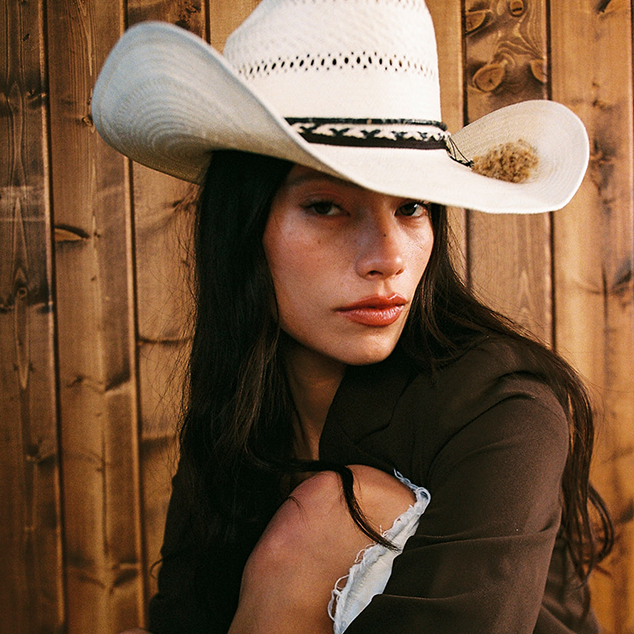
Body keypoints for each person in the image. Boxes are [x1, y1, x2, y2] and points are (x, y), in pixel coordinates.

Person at [92, 1, 613, 632]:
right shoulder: (240, 406)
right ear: (242, 229)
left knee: (338, 508)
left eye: (411, 207)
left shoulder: (504, 405)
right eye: (327, 208)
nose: (388, 257)